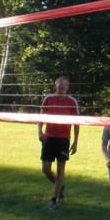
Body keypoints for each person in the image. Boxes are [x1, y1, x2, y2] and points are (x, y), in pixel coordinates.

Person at [38, 76, 80, 208]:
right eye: (60, 85)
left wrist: (75, 142)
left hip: (63, 139)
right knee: (45, 169)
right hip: (48, 138)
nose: (62, 87)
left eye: (64, 85)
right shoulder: (48, 98)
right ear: (55, 85)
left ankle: (54, 199)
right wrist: (40, 132)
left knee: (60, 170)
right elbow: (41, 117)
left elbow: (77, 123)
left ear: (68, 87)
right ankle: (60, 186)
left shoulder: (72, 101)